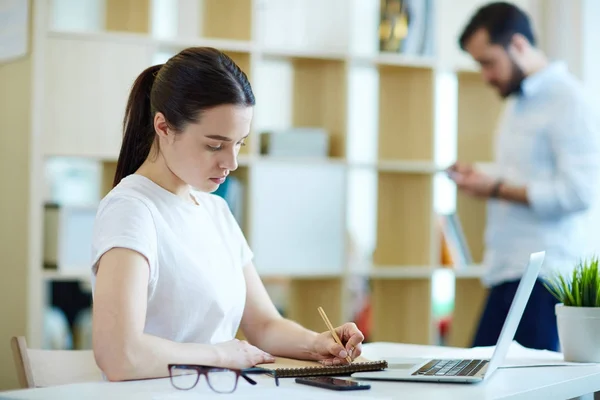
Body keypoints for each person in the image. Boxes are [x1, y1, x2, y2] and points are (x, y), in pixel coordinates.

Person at [90, 46, 365, 381]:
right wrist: (223, 354)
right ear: (163, 127)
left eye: (239, 143)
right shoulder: (132, 210)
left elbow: (263, 325)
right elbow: (119, 355)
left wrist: (317, 343)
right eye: (214, 145)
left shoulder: (215, 210)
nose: (231, 162)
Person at [447, 2, 600, 351]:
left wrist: (497, 188)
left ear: (517, 45)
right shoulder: (517, 104)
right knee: (476, 380)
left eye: (488, 62)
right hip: (505, 271)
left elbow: (580, 192)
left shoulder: (570, 101)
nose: (485, 76)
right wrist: (482, 177)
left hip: (545, 280)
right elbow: (523, 175)